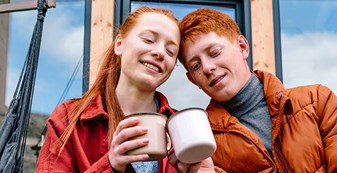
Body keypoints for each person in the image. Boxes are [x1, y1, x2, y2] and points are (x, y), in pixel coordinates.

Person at [177, 8, 337, 172]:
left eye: (214, 53)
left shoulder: (317, 101)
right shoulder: (204, 143)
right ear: (193, 80)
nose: (207, 67)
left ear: (243, 46)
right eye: (195, 66)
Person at [35, 6, 213, 173]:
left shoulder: (181, 129)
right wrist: (110, 165)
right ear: (119, 44)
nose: (159, 52)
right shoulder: (68, 119)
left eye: (170, 51)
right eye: (149, 40)